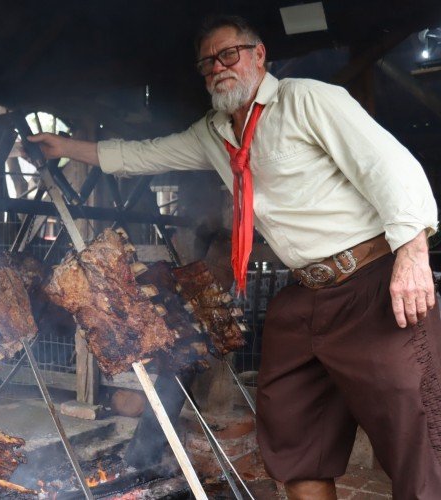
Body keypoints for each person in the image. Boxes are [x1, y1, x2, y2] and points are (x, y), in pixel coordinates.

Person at [28, 15, 441, 500]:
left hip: (370, 282)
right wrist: (63, 146)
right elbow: (143, 155)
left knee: (420, 439)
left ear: (259, 55)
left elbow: (390, 166)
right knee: (292, 433)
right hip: (306, 293)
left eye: (230, 54)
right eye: (208, 62)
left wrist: (412, 257)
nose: (219, 67)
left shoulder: (307, 99)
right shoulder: (213, 132)